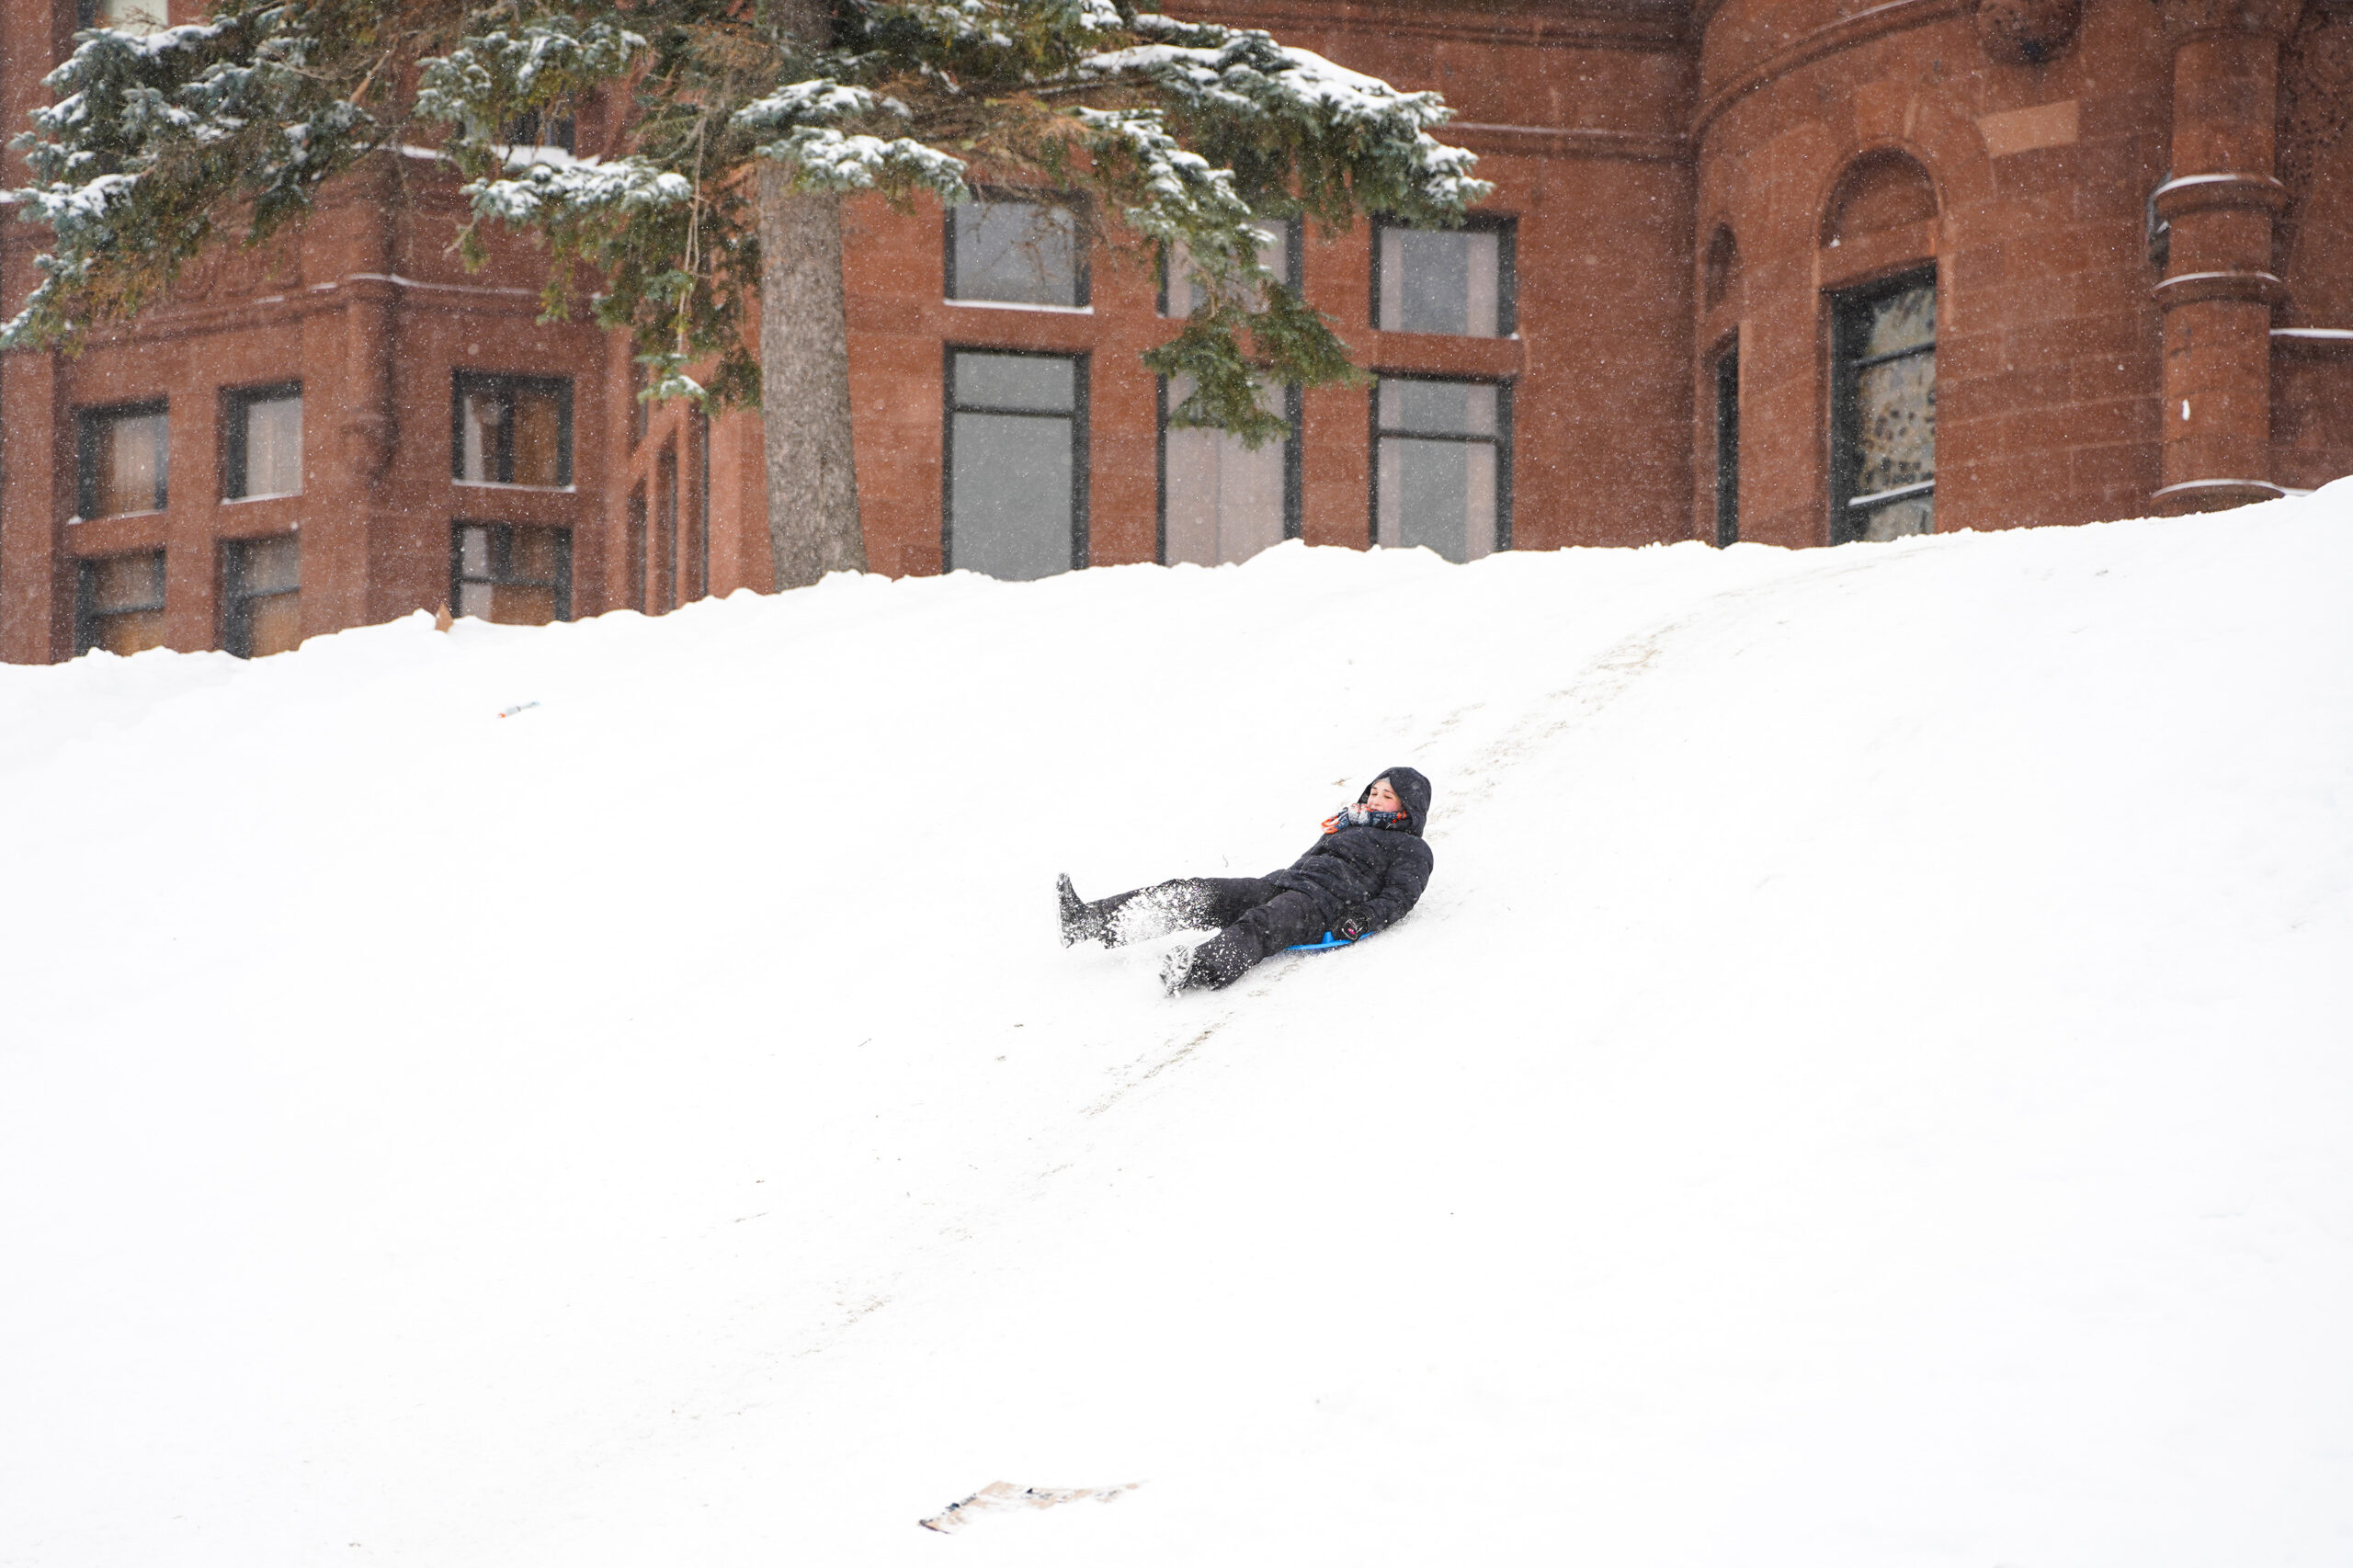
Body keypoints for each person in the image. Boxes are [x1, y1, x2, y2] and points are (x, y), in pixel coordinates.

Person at [1058, 767, 1435, 993]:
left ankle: (1201, 968)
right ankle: (1090, 921)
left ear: (1407, 809)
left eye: (1387, 796)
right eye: (1373, 791)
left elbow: (1400, 898)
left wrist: (1362, 919)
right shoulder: (1344, 826)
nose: (1374, 800)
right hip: (1284, 883)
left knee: (1261, 925)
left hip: (1323, 906)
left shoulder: (1412, 850)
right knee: (1198, 892)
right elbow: (1309, 861)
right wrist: (1280, 885)